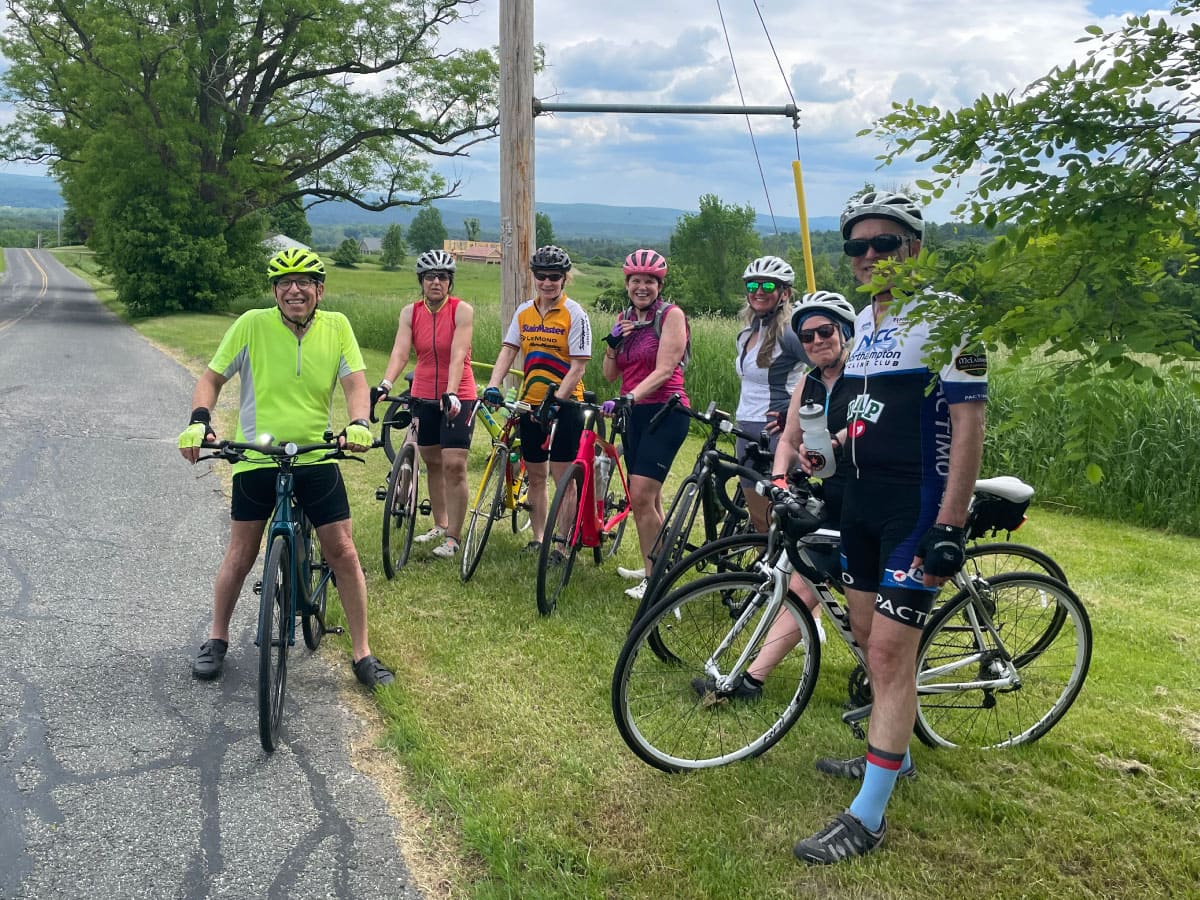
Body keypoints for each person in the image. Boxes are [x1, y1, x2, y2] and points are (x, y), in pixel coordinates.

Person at [792, 191, 987, 865]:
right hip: (861, 509)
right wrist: (825, 457)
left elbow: (967, 424)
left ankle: (868, 818)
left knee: (886, 657)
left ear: (914, 249)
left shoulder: (946, 319)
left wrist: (950, 524)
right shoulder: (865, 328)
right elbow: (867, 416)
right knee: (872, 641)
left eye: (885, 243)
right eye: (858, 246)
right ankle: (892, 759)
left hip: (915, 512)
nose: (870, 255)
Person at [177, 247, 394, 688]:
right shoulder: (251, 324)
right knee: (241, 552)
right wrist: (200, 422)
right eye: (284, 283)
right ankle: (216, 639)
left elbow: (355, 383)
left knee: (344, 551)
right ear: (275, 291)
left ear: (319, 290)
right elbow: (211, 379)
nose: (294, 290)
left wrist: (357, 423)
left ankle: (363, 654)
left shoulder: (337, 327)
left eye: (304, 282)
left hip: (315, 453)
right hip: (257, 457)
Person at [692, 290, 857, 700]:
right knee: (803, 584)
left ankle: (888, 670)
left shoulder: (865, 379)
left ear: (845, 333)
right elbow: (788, 439)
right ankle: (752, 680)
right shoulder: (810, 382)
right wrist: (780, 478)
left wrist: (834, 445)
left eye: (826, 331)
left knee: (861, 597)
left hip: (869, 494)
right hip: (832, 493)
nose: (817, 341)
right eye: (807, 336)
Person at [481, 245, 591, 556]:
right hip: (530, 402)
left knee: (562, 476)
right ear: (534, 278)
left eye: (554, 277)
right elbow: (508, 351)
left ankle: (562, 545)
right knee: (537, 474)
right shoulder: (524, 312)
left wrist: (557, 400)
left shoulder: (575, 314)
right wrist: (493, 385)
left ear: (564, 278)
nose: (547, 282)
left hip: (566, 404)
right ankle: (541, 538)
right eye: (541, 276)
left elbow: (579, 366)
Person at [373, 249, 477, 560]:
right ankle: (440, 523)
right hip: (422, 394)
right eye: (430, 276)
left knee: (454, 465)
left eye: (442, 277)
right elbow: (400, 353)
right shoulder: (410, 312)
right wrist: (386, 384)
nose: (436, 282)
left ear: (450, 282)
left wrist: (451, 391)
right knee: (431, 461)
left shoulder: (462, 310)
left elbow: (459, 354)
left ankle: (454, 537)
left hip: (459, 394)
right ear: (421, 280)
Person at [599, 249, 691, 601]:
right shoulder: (624, 318)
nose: (642, 286)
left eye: (649, 281)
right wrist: (613, 343)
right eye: (636, 280)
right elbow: (610, 375)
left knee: (639, 496)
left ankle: (657, 583)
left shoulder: (671, 316)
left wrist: (630, 397)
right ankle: (657, 563)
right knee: (648, 499)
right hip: (633, 412)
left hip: (666, 411)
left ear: (659, 285)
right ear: (626, 284)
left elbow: (666, 369)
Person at [734, 256, 808, 532]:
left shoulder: (790, 334)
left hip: (774, 434)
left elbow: (825, 371)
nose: (759, 290)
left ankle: (785, 573)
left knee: (775, 519)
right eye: (753, 284)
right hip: (747, 428)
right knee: (759, 518)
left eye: (768, 285)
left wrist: (795, 411)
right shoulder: (749, 331)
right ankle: (767, 574)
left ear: (784, 293)